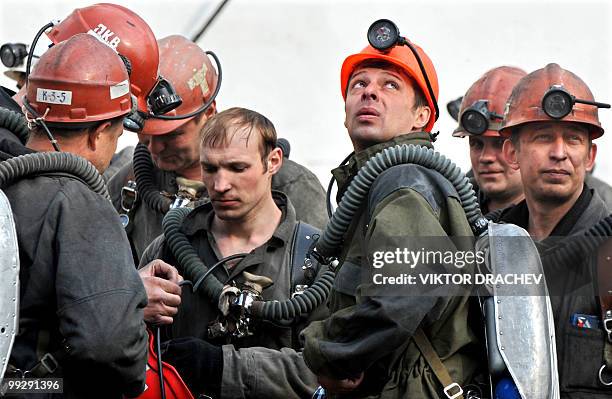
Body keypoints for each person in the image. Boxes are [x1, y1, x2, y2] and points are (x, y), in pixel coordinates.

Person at [300, 22, 480, 398]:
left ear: (420, 117)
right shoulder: (374, 185)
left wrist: (328, 354)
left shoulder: (404, 180)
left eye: (390, 85)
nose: (369, 93)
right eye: (359, 85)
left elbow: (399, 297)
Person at [140, 107, 328, 398]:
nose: (220, 185)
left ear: (273, 161)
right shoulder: (168, 248)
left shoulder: (313, 256)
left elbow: (329, 370)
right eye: (210, 168)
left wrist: (221, 367)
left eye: (237, 168)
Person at [0, 34, 148, 398]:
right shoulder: (79, 202)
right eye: (115, 138)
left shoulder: (8, 178)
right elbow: (109, 346)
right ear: (99, 133)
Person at [108, 35, 328, 266]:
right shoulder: (129, 185)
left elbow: (327, 278)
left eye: (171, 135)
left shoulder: (291, 185)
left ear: (209, 112)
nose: (155, 147)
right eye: (145, 133)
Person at [497, 63, 611, 397]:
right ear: (511, 152)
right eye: (543, 137)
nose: (559, 153)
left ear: (589, 155)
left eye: (573, 139)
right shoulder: (488, 250)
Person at [453, 66, 526, 214]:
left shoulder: (565, 218)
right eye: (477, 144)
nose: (486, 157)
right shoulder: (451, 210)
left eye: (500, 144)